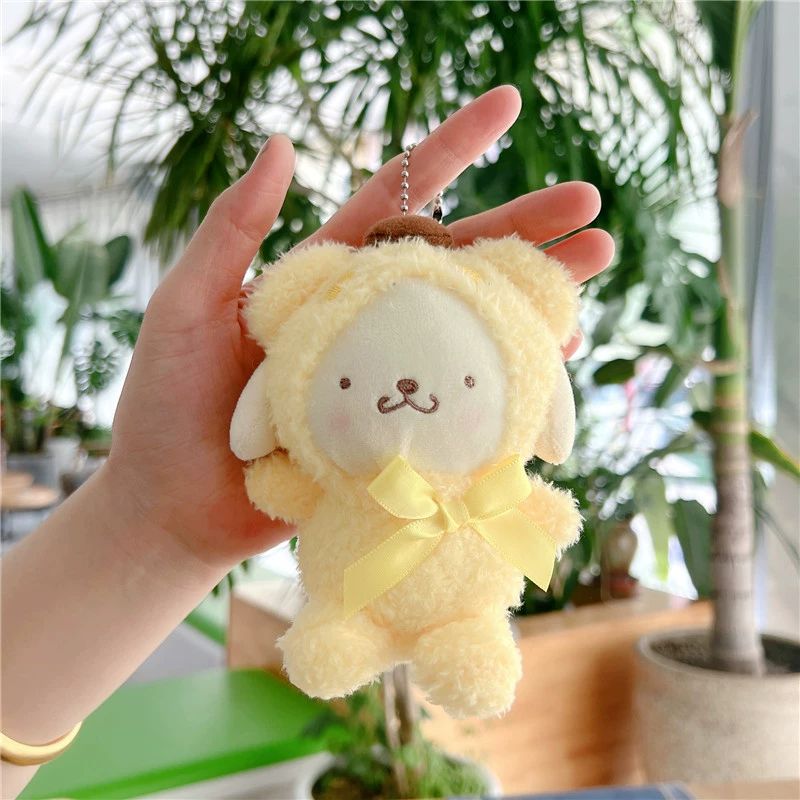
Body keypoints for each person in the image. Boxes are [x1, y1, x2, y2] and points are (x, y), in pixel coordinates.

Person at [0, 86, 614, 797]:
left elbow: (544, 471)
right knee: (332, 643)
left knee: (471, 645)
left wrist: (151, 523)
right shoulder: (312, 385)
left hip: (466, 600)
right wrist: (151, 514)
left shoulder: (496, 430)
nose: (405, 393)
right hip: (349, 594)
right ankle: (348, 633)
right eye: (346, 383)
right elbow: (275, 464)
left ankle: (469, 636)